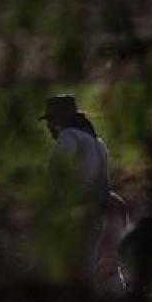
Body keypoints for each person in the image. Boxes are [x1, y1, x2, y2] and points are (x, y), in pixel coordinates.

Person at [41, 94, 112, 281]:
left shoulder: (68, 137)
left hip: (77, 211)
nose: (49, 128)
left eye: (50, 121)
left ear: (56, 121)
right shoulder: (98, 143)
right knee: (98, 264)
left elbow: (56, 174)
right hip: (99, 208)